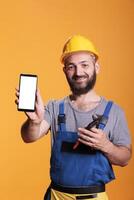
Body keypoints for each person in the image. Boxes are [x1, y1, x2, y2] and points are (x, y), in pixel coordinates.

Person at [15, 35, 132, 200]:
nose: (78, 73)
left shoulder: (114, 111)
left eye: (85, 65)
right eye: (71, 66)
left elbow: (125, 158)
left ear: (96, 67)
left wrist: (106, 146)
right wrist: (34, 121)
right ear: (65, 71)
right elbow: (28, 137)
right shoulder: (55, 107)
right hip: (57, 196)